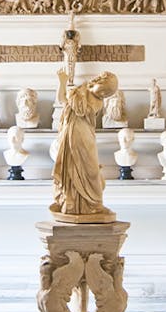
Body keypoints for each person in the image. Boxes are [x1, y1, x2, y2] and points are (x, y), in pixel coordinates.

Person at [51, 71, 119, 221]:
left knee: (91, 170)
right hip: (70, 134)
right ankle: (71, 202)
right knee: (71, 168)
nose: (96, 79)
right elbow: (62, 99)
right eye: (99, 78)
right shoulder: (79, 91)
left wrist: (71, 94)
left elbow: (80, 109)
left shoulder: (97, 102)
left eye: (102, 83)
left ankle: (95, 204)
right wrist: (62, 82)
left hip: (83, 136)